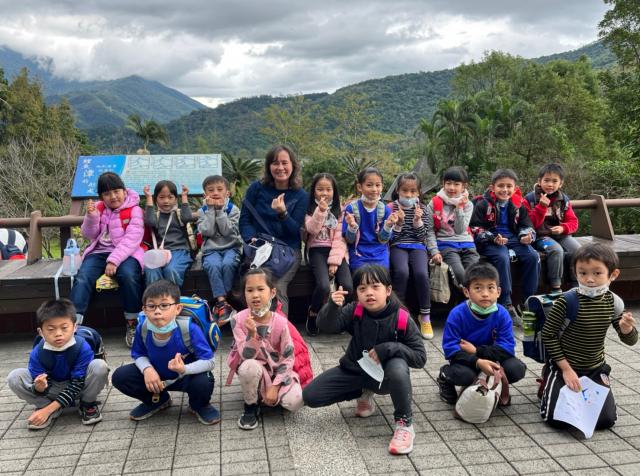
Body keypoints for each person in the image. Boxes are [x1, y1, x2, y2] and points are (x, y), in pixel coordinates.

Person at [303, 265, 427, 455]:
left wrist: (389, 348)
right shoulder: (355, 310)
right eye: (362, 288)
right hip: (355, 370)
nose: (369, 293)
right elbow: (328, 326)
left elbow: (420, 357)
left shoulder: (402, 317)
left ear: (388, 290)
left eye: (375, 287)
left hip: (385, 378)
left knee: (397, 366)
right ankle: (363, 392)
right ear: (357, 294)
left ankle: (404, 424)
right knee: (311, 396)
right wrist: (332, 306)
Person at [540, 243, 637, 430]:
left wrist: (626, 329)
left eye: (597, 273)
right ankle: (549, 379)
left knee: (606, 421)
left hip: (595, 368)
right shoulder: (566, 301)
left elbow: (631, 340)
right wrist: (566, 370)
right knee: (557, 420)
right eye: (582, 273)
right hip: (564, 366)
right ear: (575, 272)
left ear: (613, 274)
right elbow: (548, 335)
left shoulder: (613, 302)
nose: (589, 279)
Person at [111, 280, 220, 424]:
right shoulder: (142, 327)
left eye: (164, 305)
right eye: (151, 306)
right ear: (144, 310)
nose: (157, 311)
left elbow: (209, 361)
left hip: (186, 377)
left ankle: (199, 405)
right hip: (157, 378)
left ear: (177, 308)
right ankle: (157, 400)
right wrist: (148, 370)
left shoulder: (189, 328)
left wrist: (185, 369)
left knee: (204, 381)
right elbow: (138, 354)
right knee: (120, 376)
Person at [6, 299, 108, 429]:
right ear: (41, 332)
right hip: (52, 389)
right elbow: (41, 387)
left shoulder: (83, 347)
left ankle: (87, 404)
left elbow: (77, 384)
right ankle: (45, 405)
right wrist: (39, 388)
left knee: (99, 366)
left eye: (64, 328)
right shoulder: (37, 352)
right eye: (51, 329)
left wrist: (47, 411)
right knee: (14, 377)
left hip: (80, 387)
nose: (58, 334)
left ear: (74, 327)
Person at [70, 172, 144, 347]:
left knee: (129, 276)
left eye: (116, 191)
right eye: (107, 193)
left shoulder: (134, 210)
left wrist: (114, 260)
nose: (113, 196)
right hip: (99, 251)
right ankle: (72, 325)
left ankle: (132, 323)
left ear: (124, 191)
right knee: (82, 278)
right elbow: (89, 234)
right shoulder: (99, 208)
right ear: (101, 196)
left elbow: (132, 239)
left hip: (127, 253)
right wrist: (92, 217)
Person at [436, 263, 526, 405]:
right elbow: (451, 350)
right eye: (478, 288)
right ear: (466, 292)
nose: (485, 294)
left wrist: (477, 351)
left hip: (492, 358)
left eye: (490, 288)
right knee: (465, 376)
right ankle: (444, 376)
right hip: (468, 361)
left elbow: (507, 348)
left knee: (516, 369)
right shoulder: (457, 314)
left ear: (498, 291)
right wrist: (477, 361)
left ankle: (494, 386)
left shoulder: (502, 314)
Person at [227, 268, 303, 430]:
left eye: (261, 289)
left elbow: (288, 357)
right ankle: (251, 405)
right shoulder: (238, 320)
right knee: (248, 367)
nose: (255, 295)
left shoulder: (281, 322)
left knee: (296, 401)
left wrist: (275, 386)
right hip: (254, 367)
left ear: (272, 292)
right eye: (250, 290)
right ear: (244, 294)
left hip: (276, 371)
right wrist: (252, 334)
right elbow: (246, 355)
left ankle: (268, 393)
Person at [239, 145, 308, 316]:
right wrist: (251, 239)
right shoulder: (256, 189)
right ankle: (252, 326)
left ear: (293, 165)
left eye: (285, 163)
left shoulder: (301, 195)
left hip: (287, 251)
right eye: (275, 163)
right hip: (260, 248)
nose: (280, 167)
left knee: (276, 287)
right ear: (269, 166)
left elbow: (294, 232)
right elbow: (245, 219)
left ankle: (280, 328)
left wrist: (283, 213)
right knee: (254, 285)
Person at [470, 168, 540, 326]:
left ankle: (528, 301)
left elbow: (526, 225)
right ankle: (506, 303)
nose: (505, 190)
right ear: (492, 187)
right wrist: (492, 237)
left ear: (515, 188)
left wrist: (526, 236)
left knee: (532, 256)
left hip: (513, 238)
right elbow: (475, 228)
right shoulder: (483, 204)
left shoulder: (518, 204)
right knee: (502, 257)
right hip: (490, 240)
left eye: (509, 186)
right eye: (501, 186)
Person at [304, 173, 352, 336]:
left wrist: (334, 262)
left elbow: (340, 238)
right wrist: (321, 211)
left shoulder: (341, 211)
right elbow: (312, 229)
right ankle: (314, 312)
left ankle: (340, 316)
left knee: (347, 286)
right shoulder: (309, 209)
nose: (324, 193)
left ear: (334, 191)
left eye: (328, 189)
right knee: (323, 286)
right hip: (317, 250)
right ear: (313, 191)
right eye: (320, 189)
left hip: (337, 251)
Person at [388, 173, 433, 340]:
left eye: (413, 191)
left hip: (417, 246)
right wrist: (399, 223)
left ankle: (425, 316)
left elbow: (423, 236)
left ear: (419, 192)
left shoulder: (423, 209)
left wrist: (417, 221)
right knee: (402, 272)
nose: (408, 195)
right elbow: (391, 238)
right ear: (397, 190)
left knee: (421, 274)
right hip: (398, 246)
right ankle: (398, 313)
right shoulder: (391, 207)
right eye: (405, 190)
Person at [524, 163, 580, 291]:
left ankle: (576, 284)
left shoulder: (563, 200)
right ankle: (555, 286)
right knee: (556, 250)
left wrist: (563, 228)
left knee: (578, 250)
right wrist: (541, 207)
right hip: (540, 236)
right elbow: (529, 224)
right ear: (539, 181)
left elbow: (573, 222)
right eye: (546, 180)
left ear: (561, 184)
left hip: (561, 235)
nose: (550, 184)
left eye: (555, 181)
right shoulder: (530, 199)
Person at [198, 175, 242, 324]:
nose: (215, 193)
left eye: (219, 189)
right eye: (211, 190)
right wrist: (211, 210)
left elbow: (227, 231)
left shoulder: (233, 209)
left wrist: (220, 211)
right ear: (205, 194)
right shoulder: (202, 211)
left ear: (227, 193)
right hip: (211, 249)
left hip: (232, 247)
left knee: (228, 264)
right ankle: (223, 302)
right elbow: (207, 231)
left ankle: (222, 303)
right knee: (213, 265)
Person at [426, 166, 479, 288]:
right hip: (446, 244)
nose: (451, 187)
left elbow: (460, 230)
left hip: (467, 244)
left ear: (464, 186)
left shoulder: (468, 205)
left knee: (475, 274)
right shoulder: (434, 203)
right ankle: (467, 297)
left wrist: (459, 208)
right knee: (460, 274)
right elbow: (429, 230)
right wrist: (434, 251)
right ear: (443, 184)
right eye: (448, 183)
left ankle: (470, 298)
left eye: (456, 184)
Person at [143, 180, 196, 288]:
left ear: (176, 199)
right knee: (151, 269)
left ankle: (172, 297)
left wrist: (184, 197)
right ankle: (155, 297)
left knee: (171, 270)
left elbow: (187, 217)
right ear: (156, 199)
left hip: (180, 251)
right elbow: (149, 221)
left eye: (170, 197)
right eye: (161, 197)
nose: (166, 201)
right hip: (160, 252)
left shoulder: (179, 214)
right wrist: (148, 198)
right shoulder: (156, 216)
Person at [343, 168, 397, 270]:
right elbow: (349, 240)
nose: (374, 189)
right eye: (369, 185)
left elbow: (383, 240)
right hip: (358, 252)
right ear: (359, 187)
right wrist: (352, 226)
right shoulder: (351, 209)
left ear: (382, 186)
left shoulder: (385, 210)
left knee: (381, 275)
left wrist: (388, 226)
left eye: (378, 185)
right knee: (361, 275)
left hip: (379, 252)